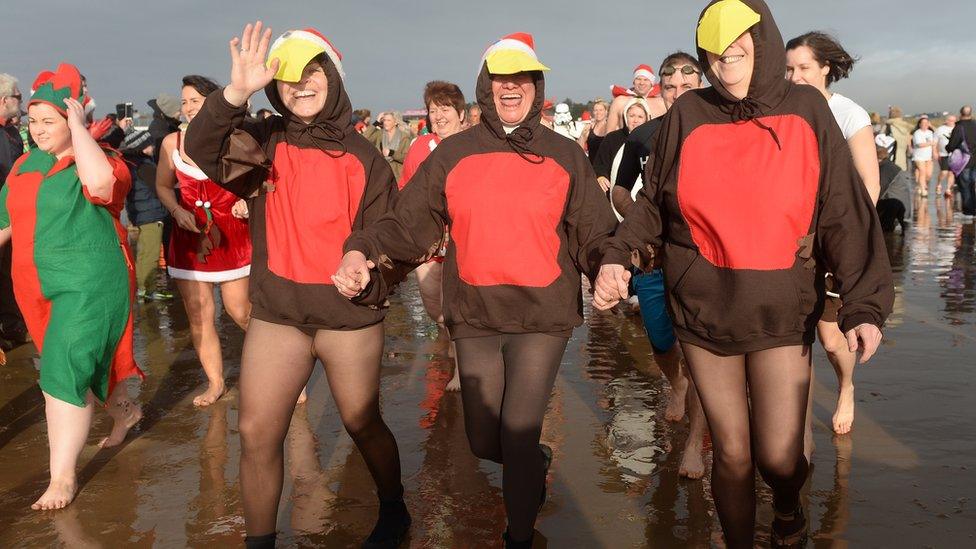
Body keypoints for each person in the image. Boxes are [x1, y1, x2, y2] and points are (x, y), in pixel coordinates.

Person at [592, 2, 893, 546]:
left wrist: (865, 304)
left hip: (782, 307)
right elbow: (652, 204)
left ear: (764, 39)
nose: (727, 52)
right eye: (714, 43)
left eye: (740, 38)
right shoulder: (688, 115)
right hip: (705, 308)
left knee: (780, 456)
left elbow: (845, 213)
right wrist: (617, 256)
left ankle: (786, 511)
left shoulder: (806, 109)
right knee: (730, 454)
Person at [335, 32, 616, 548]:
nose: (512, 87)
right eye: (501, 78)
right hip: (475, 312)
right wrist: (362, 247)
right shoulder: (454, 154)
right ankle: (529, 462)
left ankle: (519, 536)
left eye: (523, 78)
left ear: (537, 85)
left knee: (518, 430)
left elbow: (594, 231)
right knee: (483, 438)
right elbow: (408, 224)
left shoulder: (564, 155)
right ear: (486, 87)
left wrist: (610, 264)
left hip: (543, 314)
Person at [184, 23, 410, 548]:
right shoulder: (263, 142)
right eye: (287, 76)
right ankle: (259, 540)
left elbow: (389, 230)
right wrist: (234, 93)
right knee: (256, 432)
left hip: (347, 316)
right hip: (280, 315)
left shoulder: (366, 157)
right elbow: (200, 148)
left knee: (361, 422)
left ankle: (394, 506)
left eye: (312, 72)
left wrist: (362, 255)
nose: (300, 84)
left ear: (332, 76)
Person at [0, 63, 145, 510]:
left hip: (90, 282)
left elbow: (100, 185)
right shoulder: (24, 164)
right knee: (84, 369)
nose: (38, 129)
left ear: (75, 118)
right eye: (33, 120)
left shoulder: (107, 161)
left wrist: (80, 128)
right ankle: (127, 412)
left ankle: (61, 479)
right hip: (34, 286)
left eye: (50, 121)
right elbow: (4, 222)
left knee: (62, 370)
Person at [611, 50, 709, 480]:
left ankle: (694, 442)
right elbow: (618, 190)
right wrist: (641, 222)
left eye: (688, 87)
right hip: (653, 256)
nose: (679, 94)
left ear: (701, 86)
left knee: (703, 349)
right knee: (659, 338)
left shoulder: (719, 131)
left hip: (704, 258)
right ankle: (677, 384)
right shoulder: (643, 136)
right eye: (671, 88)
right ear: (661, 92)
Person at [785, 30, 881, 438]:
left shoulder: (848, 114)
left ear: (826, 68)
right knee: (789, 334)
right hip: (788, 243)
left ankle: (845, 387)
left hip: (832, 243)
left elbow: (868, 188)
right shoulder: (782, 110)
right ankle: (792, 417)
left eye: (804, 67)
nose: (794, 77)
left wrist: (843, 246)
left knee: (828, 337)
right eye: (788, 69)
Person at [155, 75, 253, 408]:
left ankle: (284, 373)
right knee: (199, 316)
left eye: (194, 100)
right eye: (184, 102)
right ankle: (215, 383)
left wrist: (247, 200)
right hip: (189, 240)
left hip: (233, 238)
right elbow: (164, 186)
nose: (188, 107)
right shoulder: (172, 143)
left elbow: (261, 180)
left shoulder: (234, 139)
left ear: (213, 102)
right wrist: (174, 210)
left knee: (240, 311)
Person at [400, 81, 467, 392]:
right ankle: (452, 339)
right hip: (428, 238)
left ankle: (460, 366)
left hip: (464, 238)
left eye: (446, 109)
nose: (439, 115)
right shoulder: (420, 146)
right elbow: (405, 190)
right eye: (433, 109)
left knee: (458, 304)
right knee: (433, 306)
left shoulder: (472, 144)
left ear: (461, 113)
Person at [121, 129, 172, 301]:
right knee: (150, 254)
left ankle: (142, 287)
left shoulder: (132, 164)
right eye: (148, 144)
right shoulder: (144, 166)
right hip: (151, 214)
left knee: (143, 254)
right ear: (141, 147)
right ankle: (147, 289)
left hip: (141, 214)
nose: (152, 147)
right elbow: (159, 187)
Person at [0, 72, 29, 349]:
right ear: (5, 99)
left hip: (11, 215)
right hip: (3, 216)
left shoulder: (10, 132)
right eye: (18, 97)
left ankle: (13, 327)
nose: (21, 102)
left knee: (9, 272)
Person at [593, 98, 650, 194]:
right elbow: (600, 164)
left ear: (647, 119)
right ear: (625, 117)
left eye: (640, 117)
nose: (635, 120)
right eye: (632, 116)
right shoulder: (612, 138)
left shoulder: (653, 140)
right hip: (614, 194)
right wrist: (600, 176)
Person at [606, 65, 667, 132]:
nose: (642, 83)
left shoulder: (662, 103)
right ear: (634, 81)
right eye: (638, 79)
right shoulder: (619, 101)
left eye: (646, 80)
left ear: (651, 83)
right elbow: (609, 132)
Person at [876, 140, 913, 232]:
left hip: (895, 211)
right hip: (903, 209)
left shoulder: (885, 169)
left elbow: (879, 190)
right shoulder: (890, 166)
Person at [947, 105, 976, 219]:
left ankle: (969, 212)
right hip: (975, 161)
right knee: (972, 185)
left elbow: (952, 145)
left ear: (960, 114)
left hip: (964, 162)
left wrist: (948, 147)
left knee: (964, 186)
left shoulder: (959, 127)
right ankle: (973, 210)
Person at [147, 92, 181, 163]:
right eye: (178, 111)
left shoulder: (166, 126)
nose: (180, 113)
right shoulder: (160, 131)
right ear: (169, 113)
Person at [379, 111, 411, 182]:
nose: (385, 122)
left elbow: (407, 158)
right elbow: (366, 136)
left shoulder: (404, 137)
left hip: (397, 177)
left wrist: (392, 153)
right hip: (382, 175)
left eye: (388, 120)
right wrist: (377, 121)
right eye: (384, 120)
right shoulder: (380, 134)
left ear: (395, 122)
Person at [911, 115, 936, 197]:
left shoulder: (930, 132)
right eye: (923, 123)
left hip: (928, 156)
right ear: (919, 124)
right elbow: (920, 144)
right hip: (919, 156)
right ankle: (923, 190)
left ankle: (920, 185)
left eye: (927, 123)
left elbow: (936, 137)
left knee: (929, 174)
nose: (925, 124)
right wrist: (930, 143)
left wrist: (935, 152)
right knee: (922, 172)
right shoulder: (917, 133)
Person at [886, 106, 913, 171]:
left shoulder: (888, 125)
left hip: (891, 153)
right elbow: (908, 140)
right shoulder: (905, 126)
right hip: (903, 151)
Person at [935, 115, 956, 197]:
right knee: (944, 172)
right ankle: (939, 184)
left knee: (951, 173)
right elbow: (935, 142)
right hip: (943, 154)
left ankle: (948, 189)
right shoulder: (940, 129)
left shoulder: (957, 128)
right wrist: (935, 152)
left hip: (954, 154)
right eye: (950, 120)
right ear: (946, 120)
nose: (951, 122)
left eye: (953, 120)